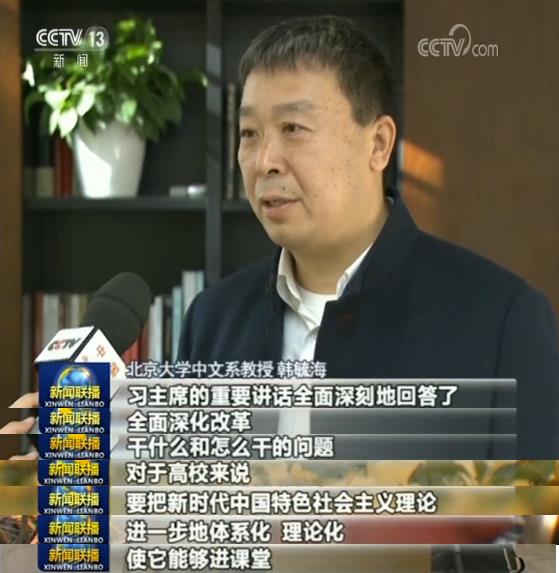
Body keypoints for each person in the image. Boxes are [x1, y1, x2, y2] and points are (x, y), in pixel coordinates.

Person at [176, 15, 559, 460]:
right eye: (249, 134)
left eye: (293, 129)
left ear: (378, 144)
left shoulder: (500, 319)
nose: (264, 161)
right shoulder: (211, 321)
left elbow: (537, 505)